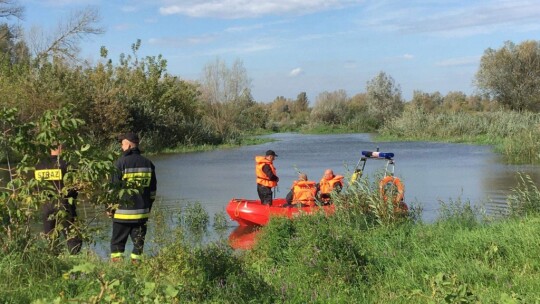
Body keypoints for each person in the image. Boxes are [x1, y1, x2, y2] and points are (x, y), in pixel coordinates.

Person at [109, 132, 157, 264]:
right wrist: (147, 208)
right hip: (141, 215)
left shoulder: (120, 163)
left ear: (129, 145)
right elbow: (153, 192)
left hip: (121, 215)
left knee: (117, 246)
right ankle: (137, 271)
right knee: (138, 245)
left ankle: (117, 272)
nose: (121, 147)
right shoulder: (148, 164)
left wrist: (110, 209)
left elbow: (112, 190)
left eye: (123, 144)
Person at [35, 144, 82, 255]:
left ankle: (53, 261)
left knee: (50, 238)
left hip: (46, 206)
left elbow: (36, 187)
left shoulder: (39, 165)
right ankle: (74, 260)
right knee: (73, 237)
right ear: (61, 148)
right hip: (65, 204)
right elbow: (77, 186)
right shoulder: (67, 164)